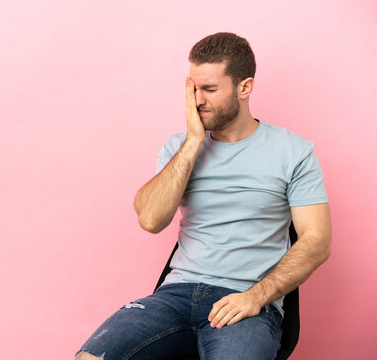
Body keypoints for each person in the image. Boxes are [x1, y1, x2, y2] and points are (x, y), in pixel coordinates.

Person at [74, 32, 331, 360]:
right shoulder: (178, 147)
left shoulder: (293, 152)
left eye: (209, 89)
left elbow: (316, 241)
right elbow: (151, 219)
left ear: (245, 87)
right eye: (193, 88)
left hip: (245, 303)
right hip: (174, 297)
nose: (198, 99)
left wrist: (256, 296)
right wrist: (194, 141)